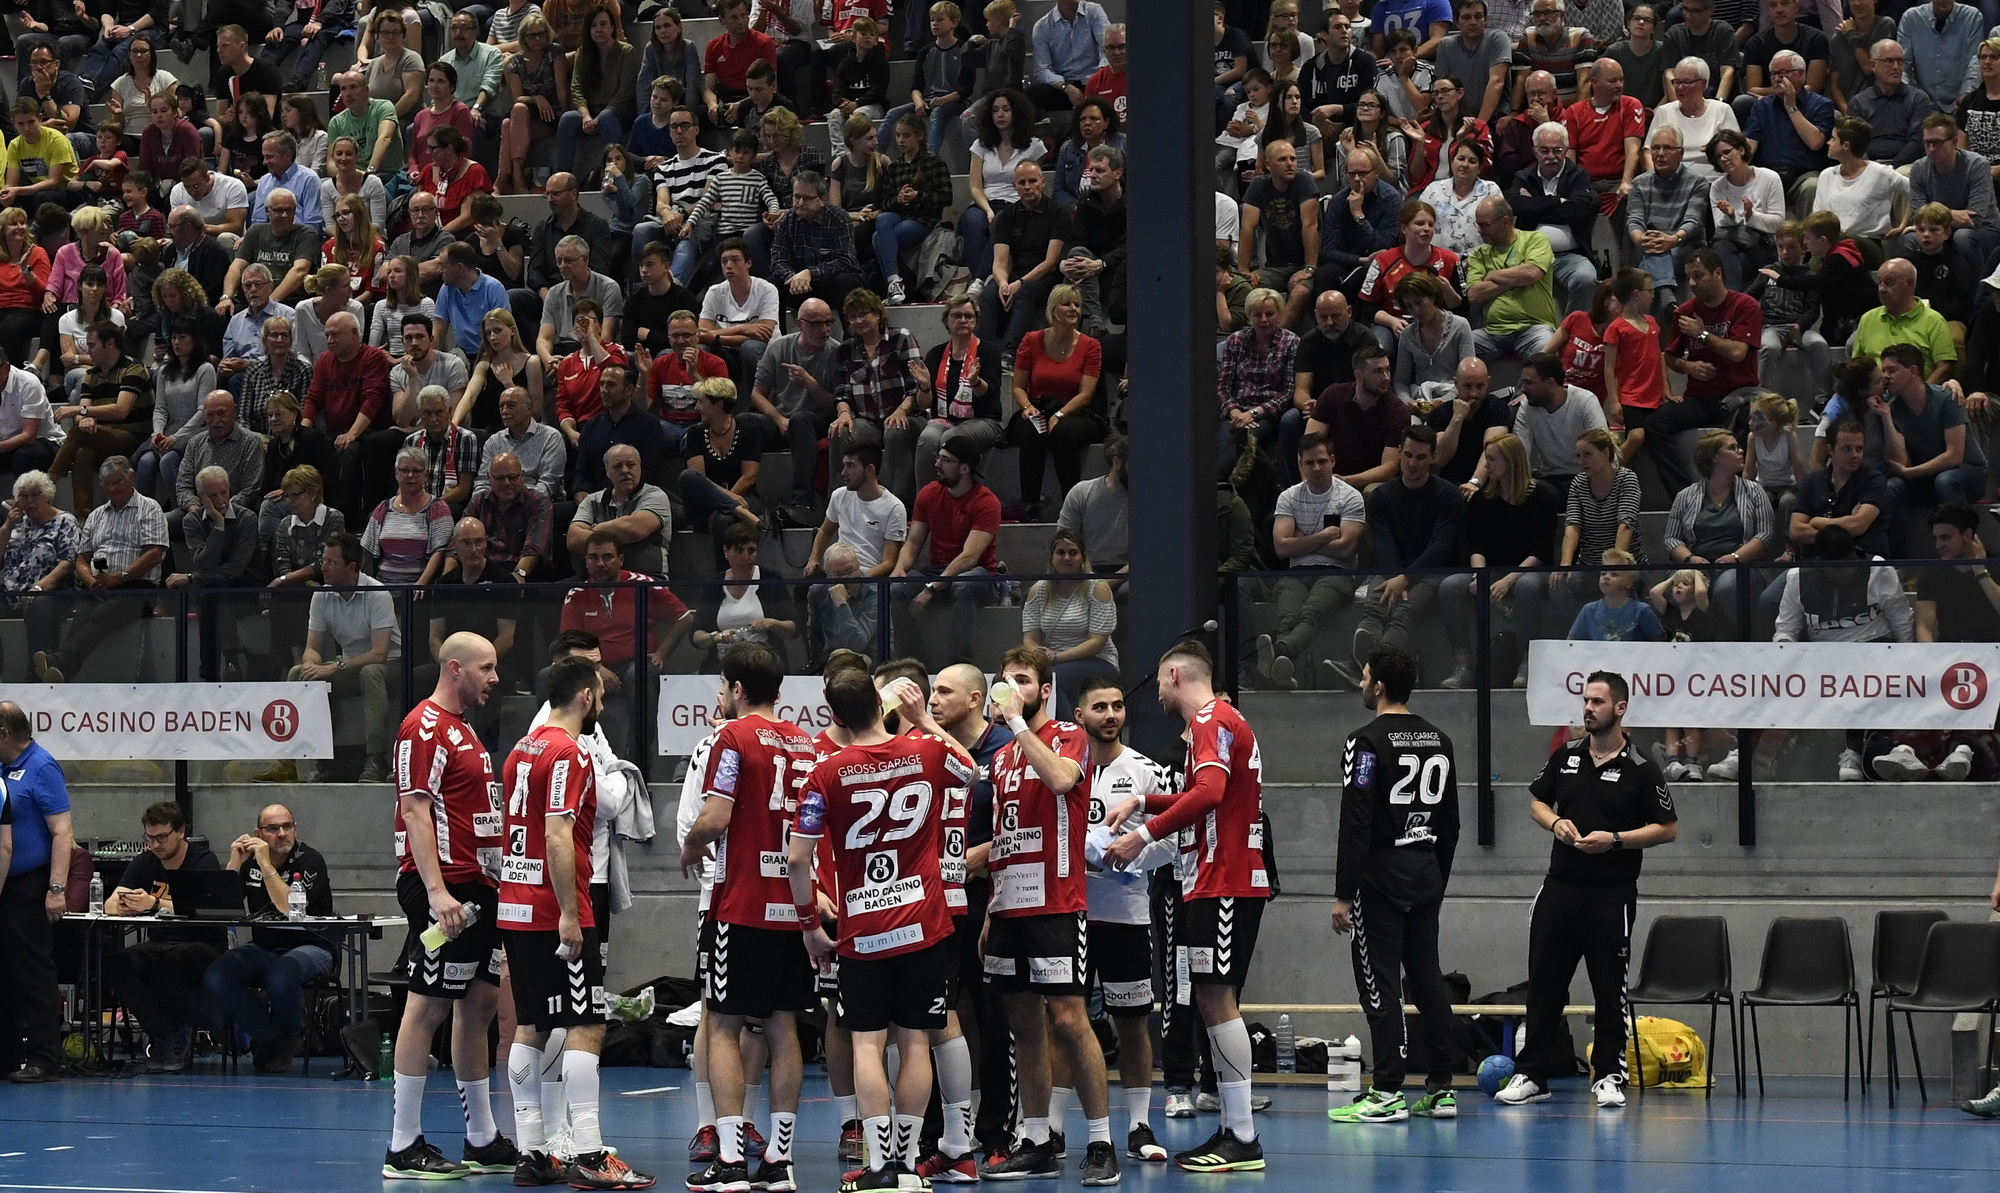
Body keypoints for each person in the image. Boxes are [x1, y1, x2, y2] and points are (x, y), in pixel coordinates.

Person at [788, 668, 978, 1191]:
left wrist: (809, 927)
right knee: (917, 1042)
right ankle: (912, 1162)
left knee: (867, 1045)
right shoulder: (926, 752)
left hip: (863, 929)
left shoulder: (825, 773)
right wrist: (922, 721)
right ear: (880, 700)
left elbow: (797, 858)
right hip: (924, 925)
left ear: (832, 715)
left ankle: (878, 1167)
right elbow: (971, 771)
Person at [1101, 641, 1267, 1172]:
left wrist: (1141, 834)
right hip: (1211, 879)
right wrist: (1144, 800)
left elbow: (1211, 791)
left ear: (1173, 674)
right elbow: (1204, 791)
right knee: (1213, 1001)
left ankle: (1241, 1135)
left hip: (1224, 878)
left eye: (1156, 682)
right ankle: (1231, 1129)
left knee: (1218, 1001)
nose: (1154, 694)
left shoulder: (1208, 719)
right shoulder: (1217, 720)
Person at [500, 655, 653, 1191]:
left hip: (514, 906)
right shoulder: (571, 752)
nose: (603, 704)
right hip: (554, 908)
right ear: (585, 697)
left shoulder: (523, 747)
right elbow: (558, 834)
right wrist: (570, 912)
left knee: (530, 1023)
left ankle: (532, 1152)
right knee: (587, 1022)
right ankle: (589, 1152)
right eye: (601, 696)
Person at [1493, 671, 1677, 1108]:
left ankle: (1610, 1075)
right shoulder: (1566, 756)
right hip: (1560, 890)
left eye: (1597, 701)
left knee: (1608, 988)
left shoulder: (1641, 769)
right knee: (1544, 984)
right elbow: (1536, 800)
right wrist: (1555, 822)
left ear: (1620, 709)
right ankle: (1531, 1074)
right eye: (1586, 700)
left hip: (1611, 896)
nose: (1588, 708)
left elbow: (1667, 829)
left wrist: (1614, 840)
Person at [973, 645, 1118, 1185]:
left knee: (1069, 1020)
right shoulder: (1003, 756)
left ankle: (1101, 1141)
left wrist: (1014, 720)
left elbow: (1061, 781)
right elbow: (1005, 836)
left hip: (1056, 904)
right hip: (1009, 904)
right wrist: (991, 907)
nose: (1013, 686)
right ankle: (1035, 1137)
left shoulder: (1067, 737)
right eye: (1006, 678)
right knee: (1022, 1023)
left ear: (1044, 689)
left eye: (1023, 680)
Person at [677, 645, 817, 1193]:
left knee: (724, 1025)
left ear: (735, 687)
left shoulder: (732, 738)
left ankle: (730, 1161)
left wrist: (691, 847)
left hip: (744, 905)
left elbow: (715, 817)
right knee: (784, 1027)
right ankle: (779, 1163)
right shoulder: (806, 744)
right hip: (793, 905)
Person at [1325, 644, 1461, 1124]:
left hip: (1380, 876)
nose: (1361, 684)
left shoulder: (1364, 743)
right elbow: (1452, 820)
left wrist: (1345, 893)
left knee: (1379, 983)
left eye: (1364, 677)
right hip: (1426, 870)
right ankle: (1442, 1088)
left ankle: (1386, 1091)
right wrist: (1436, 876)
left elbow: (1356, 820)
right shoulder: (1439, 739)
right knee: (1428, 978)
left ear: (1378, 685)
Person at [201, 804, 334, 1074]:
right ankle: (274, 1037)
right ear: (259, 833)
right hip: (265, 945)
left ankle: (292, 1032)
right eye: (273, 829)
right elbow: (224, 907)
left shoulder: (310, 860)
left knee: (280, 974)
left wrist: (264, 863)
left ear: (295, 829)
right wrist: (235, 864)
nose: (282, 834)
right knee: (218, 974)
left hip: (312, 945)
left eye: (287, 827)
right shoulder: (249, 862)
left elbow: (289, 907)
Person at [1329, 425, 1463, 687]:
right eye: (1408, 455)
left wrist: (1405, 578)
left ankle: (1368, 669)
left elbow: (1440, 547)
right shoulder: (1381, 495)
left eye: (1421, 457)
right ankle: (1363, 665)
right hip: (1392, 569)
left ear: (1433, 458)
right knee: (1374, 607)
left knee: (1403, 611)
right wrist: (1395, 577)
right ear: (1399, 453)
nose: (1412, 463)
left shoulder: (1448, 495)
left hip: (1433, 571)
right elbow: (1383, 544)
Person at [102, 801, 223, 1074]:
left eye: (162, 837)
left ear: (181, 832)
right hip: (158, 942)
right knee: (119, 963)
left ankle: (175, 1038)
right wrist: (122, 905)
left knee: (171, 963)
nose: (155, 845)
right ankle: (166, 1033)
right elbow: (110, 902)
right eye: (150, 838)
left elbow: (204, 909)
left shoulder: (203, 860)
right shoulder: (145, 861)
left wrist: (154, 904)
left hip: (201, 943)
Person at [27, 455, 165, 685]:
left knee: (100, 615)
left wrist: (120, 577)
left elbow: (154, 554)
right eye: (107, 484)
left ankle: (57, 663)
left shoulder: (150, 509)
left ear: (131, 478)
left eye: (117, 482)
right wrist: (90, 580)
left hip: (137, 588)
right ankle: (60, 673)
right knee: (80, 617)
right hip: (98, 585)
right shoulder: (96, 515)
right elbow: (81, 558)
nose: (112, 488)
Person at [0, 701, 71, 1084]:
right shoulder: (2, 768)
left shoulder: (42, 767)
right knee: (4, 974)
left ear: (4, 734)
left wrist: (55, 889)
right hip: (3, 882)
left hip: (31, 882)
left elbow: (62, 832)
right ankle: (6, 1056)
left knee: (32, 972)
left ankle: (45, 1058)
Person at [288, 533, 397, 779]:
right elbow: (312, 648)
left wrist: (334, 667)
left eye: (331, 563)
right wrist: (310, 664)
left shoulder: (378, 594)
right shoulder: (321, 595)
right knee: (298, 673)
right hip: (349, 666)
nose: (323, 568)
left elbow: (379, 654)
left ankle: (376, 759)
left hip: (390, 664)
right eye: (323, 560)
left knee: (371, 673)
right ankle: (306, 760)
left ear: (352, 567)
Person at [1259, 432, 1364, 691]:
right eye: (1309, 463)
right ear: (1300, 465)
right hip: (1296, 572)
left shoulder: (1350, 497)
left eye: (1321, 461)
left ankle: (1280, 650)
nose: (1316, 468)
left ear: (1332, 460)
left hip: (1337, 573)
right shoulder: (1289, 497)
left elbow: (1346, 549)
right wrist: (1326, 536)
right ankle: (1283, 672)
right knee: (1287, 618)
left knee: (1310, 614)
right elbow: (1281, 548)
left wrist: (1303, 540)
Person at [1654, 249, 1762, 492]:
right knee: (1654, 426)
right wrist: (1687, 366)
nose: (1692, 283)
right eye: (1689, 277)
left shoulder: (1745, 305)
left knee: (1755, 420)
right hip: (1700, 398)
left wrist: (1702, 334)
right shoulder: (1684, 312)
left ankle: (1744, 493)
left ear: (1717, 274)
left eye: (1698, 276)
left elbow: (1737, 353)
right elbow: (1669, 357)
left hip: (1738, 395)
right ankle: (1683, 493)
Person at [889, 434, 1000, 666]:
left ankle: (960, 663)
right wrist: (900, 568)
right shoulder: (929, 494)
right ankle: (913, 661)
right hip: (938, 570)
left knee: (963, 583)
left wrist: (931, 588)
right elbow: (913, 543)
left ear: (964, 469)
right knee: (897, 587)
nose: (937, 465)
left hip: (978, 573)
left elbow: (970, 557)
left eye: (946, 460)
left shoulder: (986, 502)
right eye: (938, 458)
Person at [1009, 284, 1103, 521]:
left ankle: (1071, 508)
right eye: (1067, 304)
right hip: (1038, 405)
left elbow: (1086, 394)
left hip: (1076, 411)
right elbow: (1019, 386)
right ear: (1053, 310)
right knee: (1032, 431)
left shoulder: (1091, 346)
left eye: (1077, 305)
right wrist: (1027, 407)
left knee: (1062, 434)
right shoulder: (1031, 340)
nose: (1073, 309)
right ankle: (1030, 505)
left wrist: (1059, 415)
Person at [1663, 428, 1778, 621]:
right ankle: (1690, 639)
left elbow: (1765, 534)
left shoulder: (1754, 492)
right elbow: (1671, 538)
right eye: (1733, 448)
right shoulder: (1686, 496)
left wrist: (1736, 557)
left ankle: (1739, 640)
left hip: (1742, 566)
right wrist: (1690, 559)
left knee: (1726, 587)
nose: (1741, 451)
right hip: (1698, 565)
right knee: (1674, 586)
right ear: (1715, 458)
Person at [1882, 339, 1990, 511]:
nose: (1885, 376)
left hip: (1966, 471)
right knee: (1891, 487)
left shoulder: (1946, 398)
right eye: (1883, 371)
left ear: (1913, 371)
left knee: (1946, 480)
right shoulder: (1891, 408)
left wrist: (1911, 473)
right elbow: (1901, 462)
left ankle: (1962, 534)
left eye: (1892, 370)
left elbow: (1954, 456)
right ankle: (1893, 538)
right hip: (1925, 476)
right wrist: (1886, 418)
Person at [1020, 529, 1117, 717]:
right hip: (1050, 661)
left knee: (1054, 680)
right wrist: (1037, 654)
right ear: (1051, 557)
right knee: (1018, 678)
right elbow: (1030, 638)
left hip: (1097, 661)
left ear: (1083, 557)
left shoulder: (1097, 588)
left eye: (1073, 553)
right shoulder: (1037, 590)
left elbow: (1097, 642)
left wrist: (1056, 657)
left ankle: (1068, 738)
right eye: (1060, 552)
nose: (1066, 558)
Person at [1214, 286, 1298, 481]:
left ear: (1279, 314)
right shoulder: (1235, 340)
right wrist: (1234, 411)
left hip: (1269, 414)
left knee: (1243, 437)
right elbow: (1223, 385)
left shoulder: (1291, 342)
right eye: (1257, 314)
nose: (1264, 320)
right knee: (1228, 438)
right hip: (1236, 411)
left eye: (1270, 313)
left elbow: (1288, 392)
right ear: (1249, 316)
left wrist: (1252, 413)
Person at [1467, 197, 1560, 359]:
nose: (1479, 230)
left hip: (1534, 328)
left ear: (1505, 221)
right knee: (1456, 348)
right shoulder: (1479, 254)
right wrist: (1516, 278)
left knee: (1546, 358)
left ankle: (1518, 386)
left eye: (1485, 225)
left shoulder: (1535, 240)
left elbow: (1531, 273)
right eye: (1478, 224)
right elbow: (1474, 295)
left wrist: (1493, 275)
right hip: (1491, 332)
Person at [1904, 113, 2000, 266]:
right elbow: (1917, 214)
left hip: (1984, 231)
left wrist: (1933, 217)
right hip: (1938, 230)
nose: (1931, 149)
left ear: (1954, 142)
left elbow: (1974, 217)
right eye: (1927, 143)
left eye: (1937, 143)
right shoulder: (1918, 168)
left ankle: (1978, 289)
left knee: (1963, 237)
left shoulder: (1977, 165)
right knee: (1909, 239)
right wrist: (1952, 214)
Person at [808, 442, 908, 582]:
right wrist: (814, 558)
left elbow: (889, 563)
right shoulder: (839, 496)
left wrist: (858, 578)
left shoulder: (894, 507)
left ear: (869, 470)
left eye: (851, 466)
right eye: (845, 465)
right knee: (804, 589)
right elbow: (825, 531)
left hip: (869, 576)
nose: (844, 473)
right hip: (836, 572)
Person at [1811, 116, 1909, 243]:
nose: (1828, 142)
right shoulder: (1826, 175)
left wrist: (1903, 226)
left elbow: (1915, 190)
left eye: (1833, 138)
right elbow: (1817, 214)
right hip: (1832, 243)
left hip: (1866, 242)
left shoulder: (1880, 173)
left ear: (1845, 146)